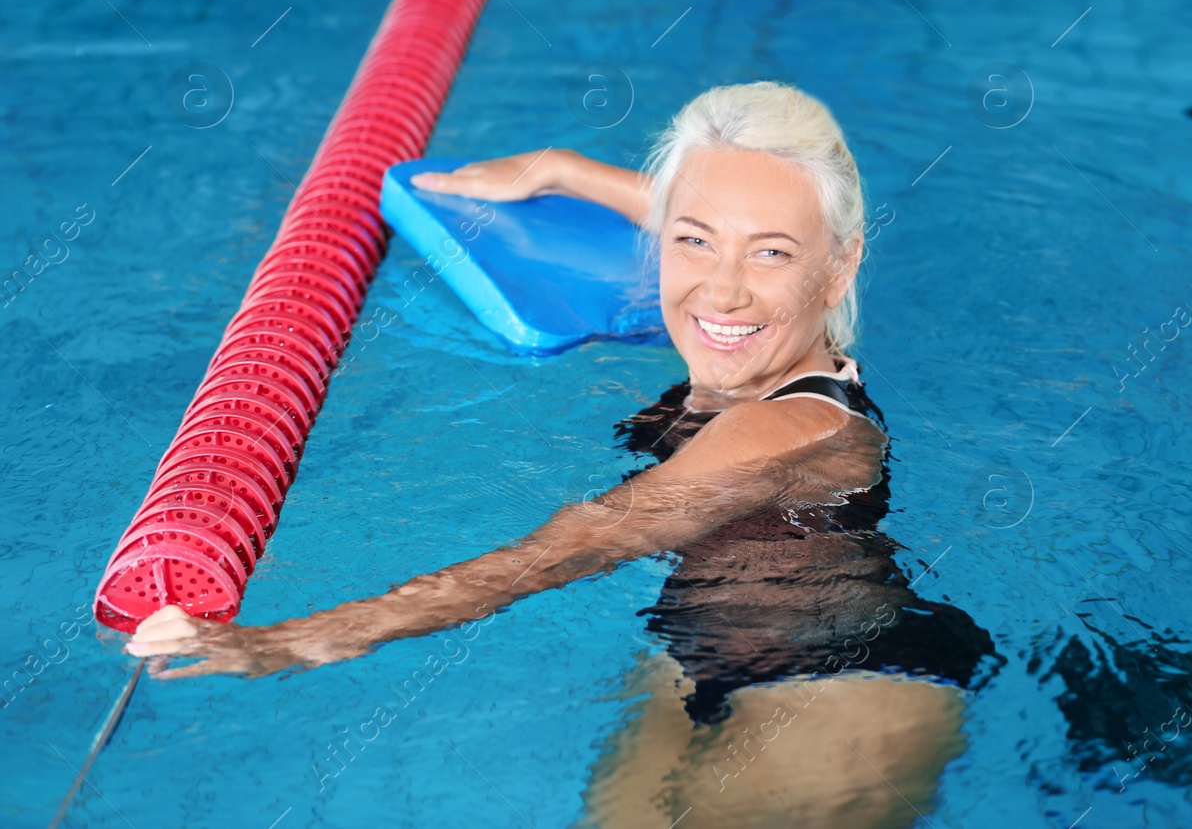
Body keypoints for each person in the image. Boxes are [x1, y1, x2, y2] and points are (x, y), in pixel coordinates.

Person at [128, 82, 996, 827]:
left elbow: (572, 545)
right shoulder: (743, 336)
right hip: (691, 656)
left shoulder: (790, 427)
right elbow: (704, 212)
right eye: (694, 241)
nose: (723, 287)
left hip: (846, 678)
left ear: (838, 269)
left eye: (771, 254)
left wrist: (301, 640)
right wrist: (557, 169)